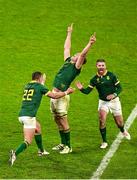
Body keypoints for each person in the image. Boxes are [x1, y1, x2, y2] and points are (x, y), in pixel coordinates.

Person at [9, 71, 74, 166]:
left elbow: (36, 91)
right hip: (29, 117)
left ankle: (41, 151)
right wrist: (67, 92)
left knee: (38, 128)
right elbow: (54, 96)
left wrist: (42, 83)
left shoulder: (27, 85)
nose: (44, 80)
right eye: (43, 78)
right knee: (28, 141)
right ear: (39, 78)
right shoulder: (40, 87)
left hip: (22, 115)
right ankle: (14, 154)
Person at [50, 23, 96, 154]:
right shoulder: (67, 61)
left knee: (63, 120)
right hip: (54, 94)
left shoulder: (76, 67)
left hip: (62, 96)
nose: (75, 54)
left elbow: (82, 55)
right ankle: (62, 143)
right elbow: (66, 47)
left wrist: (90, 43)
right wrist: (69, 33)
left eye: (76, 55)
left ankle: (68, 146)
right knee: (56, 119)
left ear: (79, 61)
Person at [76, 59, 131, 149]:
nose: (101, 67)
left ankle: (122, 130)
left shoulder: (112, 76)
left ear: (105, 66)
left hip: (114, 101)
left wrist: (114, 94)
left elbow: (119, 88)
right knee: (102, 120)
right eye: (99, 65)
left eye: (102, 65)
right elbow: (87, 92)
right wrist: (81, 89)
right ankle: (104, 141)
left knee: (119, 123)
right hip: (103, 102)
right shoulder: (94, 79)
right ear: (96, 66)